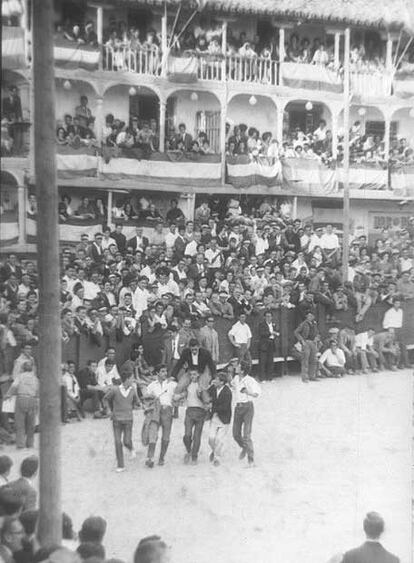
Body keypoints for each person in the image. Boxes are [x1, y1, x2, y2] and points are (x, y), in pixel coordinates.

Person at [104, 371, 140, 472]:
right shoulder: (115, 390)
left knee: (127, 441)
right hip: (116, 420)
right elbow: (105, 399)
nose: (133, 380)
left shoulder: (133, 390)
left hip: (128, 419)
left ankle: (131, 448)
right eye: (132, 378)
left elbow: (137, 402)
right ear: (127, 379)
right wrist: (109, 410)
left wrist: (141, 404)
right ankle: (121, 465)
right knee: (117, 442)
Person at [143, 365, 177, 468]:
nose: (165, 373)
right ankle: (150, 458)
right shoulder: (152, 385)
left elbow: (182, 391)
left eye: (166, 371)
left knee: (166, 436)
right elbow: (145, 398)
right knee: (153, 434)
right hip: (155, 411)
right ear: (157, 373)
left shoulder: (172, 384)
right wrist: (150, 399)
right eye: (162, 371)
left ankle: (162, 457)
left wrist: (177, 399)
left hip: (167, 411)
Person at [231, 361, 261, 466]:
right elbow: (232, 386)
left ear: (242, 370)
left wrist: (248, 392)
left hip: (248, 407)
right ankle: (244, 447)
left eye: (238, 367)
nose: (236, 368)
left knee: (246, 435)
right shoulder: (235, 379)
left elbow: (257, 393)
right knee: (235, 434)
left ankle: (251, 459)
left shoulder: (250, 380)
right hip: (238, 407)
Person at [175, 369, 207, 465]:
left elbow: (207, 399)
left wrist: (202, 393)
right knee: (187, 435)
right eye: (191, 375)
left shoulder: (203, 385)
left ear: (198, 375)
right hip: (189, 411)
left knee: (197, 436)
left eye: (194, 374)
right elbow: (184, 394)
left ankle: (194, 456)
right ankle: (189, 450)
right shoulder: (187, 385)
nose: (192, 376)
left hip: (200, 411)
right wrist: (179, 396)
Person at [5, 361, 39, 448]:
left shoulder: (20, 376)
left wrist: (7, 395)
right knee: (31, 424)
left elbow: (14, 387)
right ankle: (30, 444)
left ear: (23, 368)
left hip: (21, 399)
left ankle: (20, 444)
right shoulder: (35, 378)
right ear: (32, 368)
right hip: (32, 400)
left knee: (20, 423)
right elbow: (38, 391)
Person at [208, 371, 232, 466]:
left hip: (224, 419)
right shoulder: (213, 388)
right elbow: (206, 394)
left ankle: (217, 458)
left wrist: (211, 407)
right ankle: (214, 451)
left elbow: (225, 407)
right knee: (211, 439)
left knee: (219, 439)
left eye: (216, 380)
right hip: (214, 417)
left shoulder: (227, 392)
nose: (214, 381)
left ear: (222, 382)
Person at [294, 311, 319, 382]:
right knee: (305, 360)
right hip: (306, 342)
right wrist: (301, 340)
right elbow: (296, 332)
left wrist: (316, 338)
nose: (310, 317)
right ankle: (305, 377)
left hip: (313, 342)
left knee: (313, 360)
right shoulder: (303, 324)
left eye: (311, 316)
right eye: (308, 316)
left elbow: (317, 332)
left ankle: (312, 376)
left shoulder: (314, 324)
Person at [258, 311, 279, 380]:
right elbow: (261, 333)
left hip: (271, 343)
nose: (268, 318)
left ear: (272, 317)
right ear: (264, 317)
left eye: (269, 316)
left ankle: (270, 377)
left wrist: (275, 334)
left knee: (270, 361)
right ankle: (262, 378)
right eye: (267, 316)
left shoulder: (273, 324)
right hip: (264, 344)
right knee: (263, 362)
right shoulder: (261, 324)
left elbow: (277, 332)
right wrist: (271, 333)